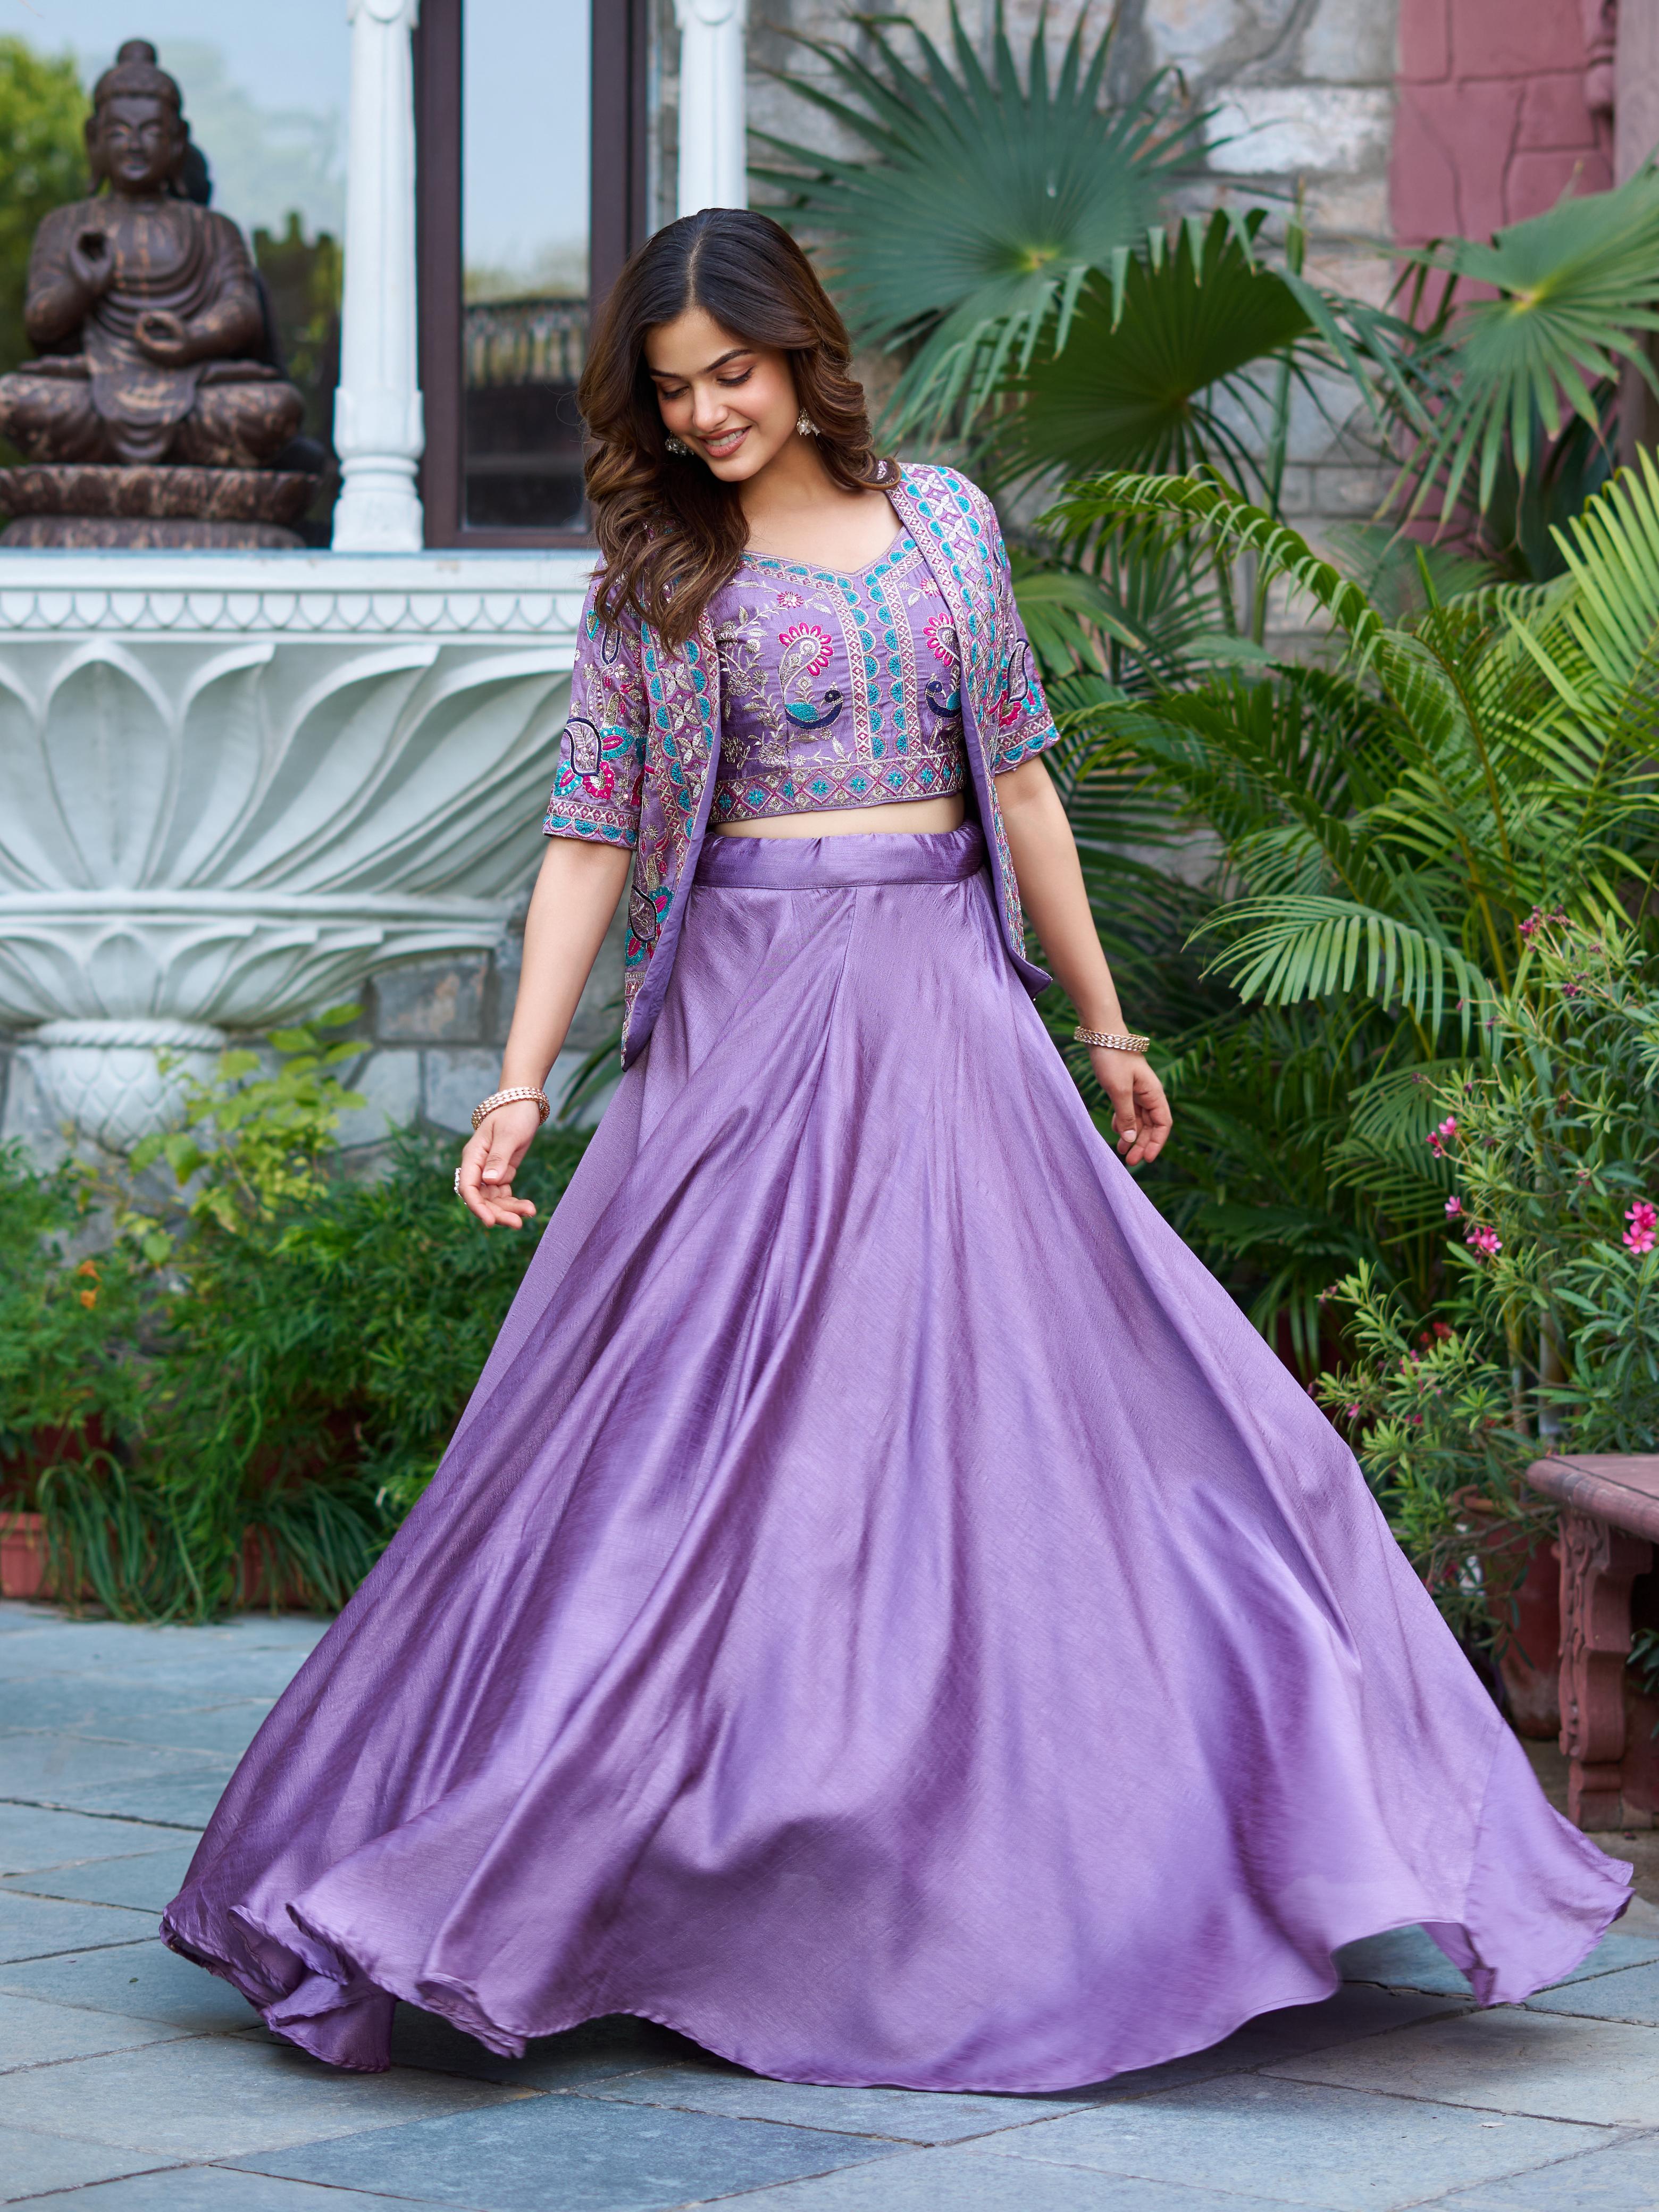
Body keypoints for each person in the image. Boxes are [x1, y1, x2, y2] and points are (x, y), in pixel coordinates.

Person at [163, 210, 1630, 2091]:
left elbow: (1016, 777)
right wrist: (521, 1082)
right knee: (682, 1452)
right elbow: (588, 840)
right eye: (673, 389)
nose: (704, 416)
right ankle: (623, 1865)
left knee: (1093, 1427)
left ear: (803, 351)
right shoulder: (652, 580)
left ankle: (1083, 1868)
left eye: (734, 375)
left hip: (947, 1011)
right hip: (747, 1030)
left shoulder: (947, 524)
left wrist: (1104, 1026)